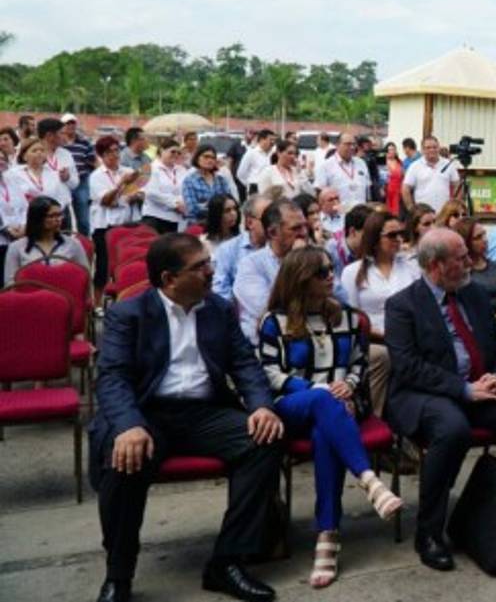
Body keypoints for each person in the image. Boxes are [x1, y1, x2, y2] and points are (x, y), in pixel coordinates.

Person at [89, 233, 284, 602]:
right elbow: (112, 377)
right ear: (169, 279)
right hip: (148, 414)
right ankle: (119, 575)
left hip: (203, 412)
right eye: (200, 267)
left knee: (265, 440)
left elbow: (244, 363)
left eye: (209, 263)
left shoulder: (218, 309)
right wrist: (129, 425)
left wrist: (261, 405)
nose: (212, 272)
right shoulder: (129, 314)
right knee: (122, 460)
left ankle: (227, 562)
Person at [383, 228, 496, 572]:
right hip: (427, 395)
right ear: (437, 265)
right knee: (452, 429)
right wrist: (465, 389)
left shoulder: (474, 295)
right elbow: (408, 367)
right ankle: (429, 533)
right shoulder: (402, 306)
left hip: (481, 388)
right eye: (461, 257)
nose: (470, 262)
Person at [259, 247, 403, 587]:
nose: (330, 277)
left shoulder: (348, 318)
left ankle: (327, 535)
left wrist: (348, 387)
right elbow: (270, 374)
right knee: (325, 404)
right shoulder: (274, 322)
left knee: (327, 433)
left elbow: (359, 365)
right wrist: (322, 391)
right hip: (293, 404)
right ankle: (368, 479)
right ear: (300, 279)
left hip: (343, 404)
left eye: (331, 270)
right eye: (322, 272)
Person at [340, 211, 420, 416]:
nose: (399, 240)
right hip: (374, 338)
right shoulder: (353, 272)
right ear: (375, 238)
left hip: (410, 336)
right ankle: (375, 416)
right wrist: (384, 335)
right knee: (386, 356)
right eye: (392, 235)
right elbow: (352, 317)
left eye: (401, 234)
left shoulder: (411, 268)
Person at [234, 198, 310, 344]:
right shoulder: (251, 265)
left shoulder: (317, 258)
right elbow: (272, 313)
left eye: (305, 226)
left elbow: (337, 298)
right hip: (267, 347)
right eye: (296, 228)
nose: (304, 233)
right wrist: (297, 264)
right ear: (273, 233)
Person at [87, 136, 142, 289]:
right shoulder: (96, 176)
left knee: (125, 263)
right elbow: (106, 201)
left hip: (127, 222)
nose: (114, 155)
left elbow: (139, 192)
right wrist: (122, 184)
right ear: (101, 155)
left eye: (116, 150)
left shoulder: (129, 171)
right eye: (109, 152)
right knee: (103, 265)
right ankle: (98, 303)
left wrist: (137, 195)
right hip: (103, 225)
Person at [3, 195, 90, 283]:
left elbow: (85, 276)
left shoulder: (73, 244)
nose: (58, 220)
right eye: (52, 216)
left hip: (65, 293)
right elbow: (10, 283)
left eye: (60, 215)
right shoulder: (16, 248)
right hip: (30, 294)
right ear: (37, 218)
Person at [213, 194, 271, 303]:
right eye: (267, 219)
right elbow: (219, 289)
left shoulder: (280, 246)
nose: (273, 223)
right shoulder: (228, 250)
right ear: (250, 222)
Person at [7, 137, 72, 225]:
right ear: (25, 156)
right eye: (34, 151)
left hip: (51, 219)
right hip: (26, 219)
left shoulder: (53, 174)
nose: (39, 153)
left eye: (42, 150)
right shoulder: (14, 174)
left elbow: (62, 198)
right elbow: (12, 199)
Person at [401, 136, 460, 213]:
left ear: (439, 148)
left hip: (444, 214)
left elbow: (457, 185)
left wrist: (455, 206)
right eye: (428, 148)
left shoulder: (448, 164)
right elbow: (405, 189)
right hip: (423, 215)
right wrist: (411, 209)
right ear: (422, 150)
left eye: (435, 147)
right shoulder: (415, 166)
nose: (432, 150)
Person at [141, 139, 188, 234]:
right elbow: (151, 193)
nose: (176, 155)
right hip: (155, 218)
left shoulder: (182, 170)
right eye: (173, 151)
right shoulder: (149, 168)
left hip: (176, 219)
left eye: (178, 153)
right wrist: (175, 204)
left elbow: (186, 189)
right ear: (162, 150)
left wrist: (183, 203)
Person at [315, 133, 371, 211]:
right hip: (339, 215)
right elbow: (320, 194)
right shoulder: (326, 166)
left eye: (353, 144)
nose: (352, 147)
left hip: (361, 215)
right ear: (337, 145)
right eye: (348, 144)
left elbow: (367, 190)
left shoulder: (361, 163)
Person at [62, 113, 95, 235]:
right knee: (63, 216)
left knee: (83, 219)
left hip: (81, 181)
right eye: (67, 124)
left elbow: (92, 161)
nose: (70, 126)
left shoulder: (84, 142)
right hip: (63, 182)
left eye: (72, 123)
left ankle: (85, 242)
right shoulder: (59, 143)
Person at [183, 144, 235, 223]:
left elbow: (230, 202)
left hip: (220, 225)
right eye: (206, 157)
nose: (210, 160)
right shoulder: (189, 181)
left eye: (213, 158)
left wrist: (206, 204)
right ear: (197, 158)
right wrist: (218, 206)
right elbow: (192, 209)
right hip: (199, 224)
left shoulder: (221, 180)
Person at [326, 204, 373, 276]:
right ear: (353, 232)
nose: (373, 239)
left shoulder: (372, 252)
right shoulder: (331, 250)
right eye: (369, 234)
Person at [236, 129, 275, 196]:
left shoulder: (272, 154)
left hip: (268, 189)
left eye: (274, 140)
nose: (273, 142)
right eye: (270, 140)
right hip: (255, 188)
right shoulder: (251, 153)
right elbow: (240, 174)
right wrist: (250, 184)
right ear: (262, 139)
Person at [383, 142, 404, 216]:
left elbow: (403, 176)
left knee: (398, 211)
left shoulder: (400, 162)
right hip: (387, 190)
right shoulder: (383, 162)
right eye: (390, 149)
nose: (392, 151)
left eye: (393, 149)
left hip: (398, 190)